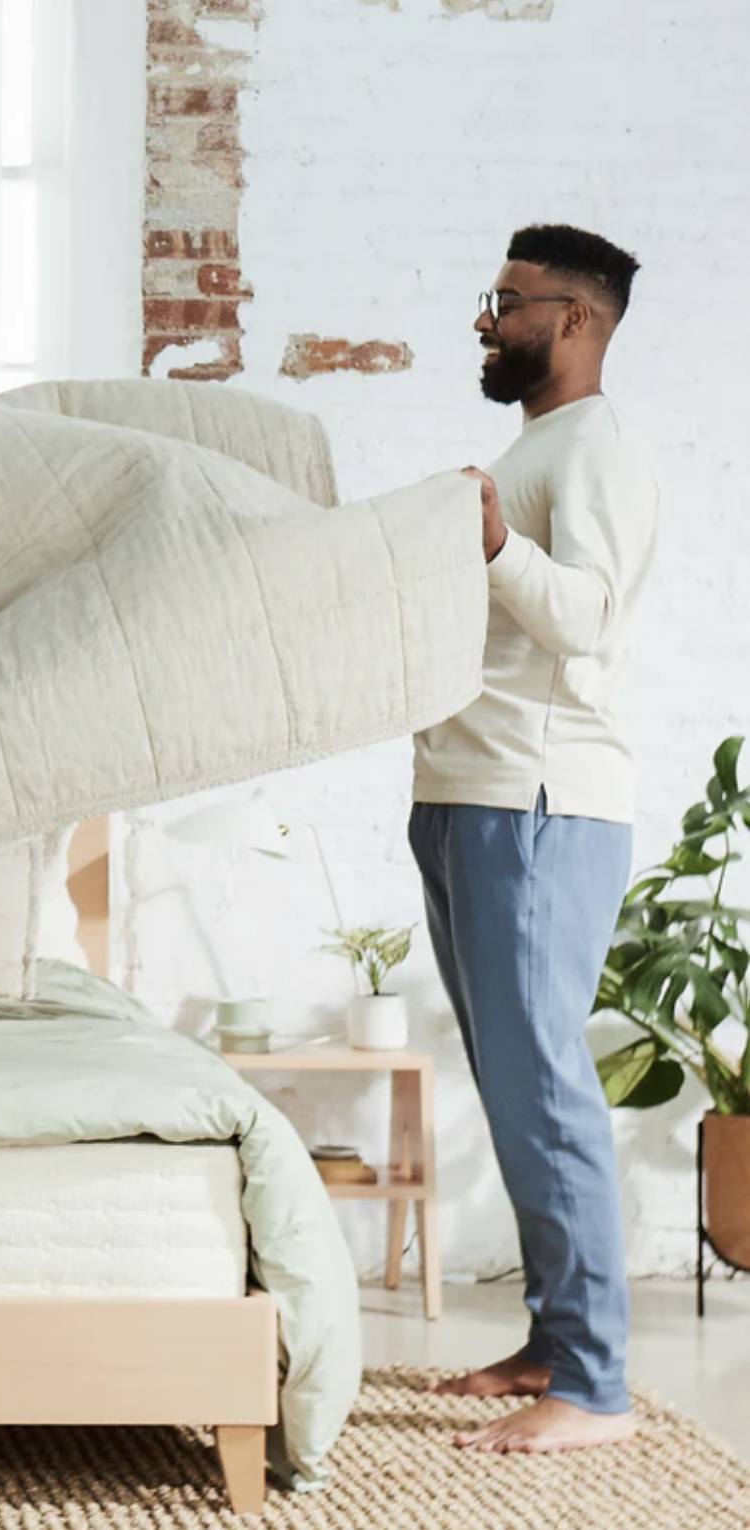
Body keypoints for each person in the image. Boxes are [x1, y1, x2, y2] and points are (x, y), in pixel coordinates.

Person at [410, 224, 660, 1453]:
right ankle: (555, 1343)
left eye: (507, 301)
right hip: (468, 793)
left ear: (578, 319)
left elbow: (593, 624)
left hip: (540, 803)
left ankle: (597, 1390)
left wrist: (498, 542)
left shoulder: (598, 447)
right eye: (489, 295)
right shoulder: (539, 444)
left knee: (548, 1091)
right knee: (517, 1094)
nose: (485, 319)